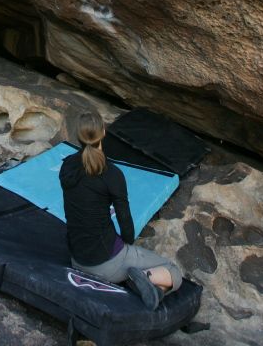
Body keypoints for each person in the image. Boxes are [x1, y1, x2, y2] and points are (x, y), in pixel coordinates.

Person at [59, 110, 182, 310]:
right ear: (104, 133)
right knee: (173, 271)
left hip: (77, 258)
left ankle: (135, 278)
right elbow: (125, 224)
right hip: (106, 263)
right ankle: (146, 280)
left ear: (78, 137)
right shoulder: (112, 174)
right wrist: (125, 248)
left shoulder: (67, 167)